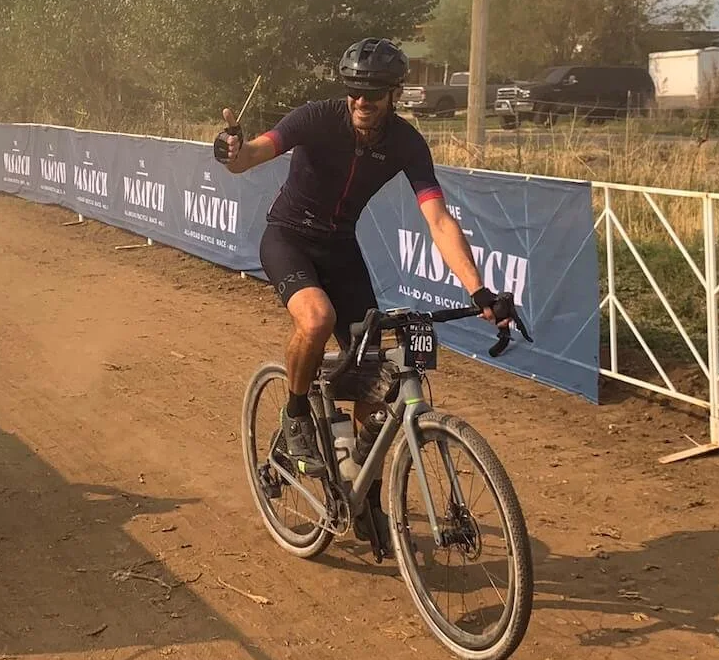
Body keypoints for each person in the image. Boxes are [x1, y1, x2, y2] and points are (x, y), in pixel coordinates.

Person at [214, 39, 506, 536]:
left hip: (341, 250)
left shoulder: (407, 143)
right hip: (288, 238)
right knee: (317, 318)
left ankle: (364, 487)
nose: (360, 103)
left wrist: (479, 290)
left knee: (376, 373)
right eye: (353, 93)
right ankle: (296, 412)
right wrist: (232, 151)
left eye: (372, 94)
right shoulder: (317, 118)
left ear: (394, 93)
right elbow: (253, 155)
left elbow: (437, 219)